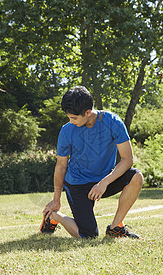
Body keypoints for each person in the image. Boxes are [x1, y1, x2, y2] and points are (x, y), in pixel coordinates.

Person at [40, 86, 143, 239]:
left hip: (103, 181)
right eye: (69, 117)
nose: (71, 121)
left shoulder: (112, 122)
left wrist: (104, 183)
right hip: (77, 184)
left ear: (88, 112)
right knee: (88, 236)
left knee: (136, 177)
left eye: (74, 118)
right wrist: (56, 199)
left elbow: (128, 159)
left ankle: (116, 227)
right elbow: (61, 166)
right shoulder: (67, 131)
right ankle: (55, 217)